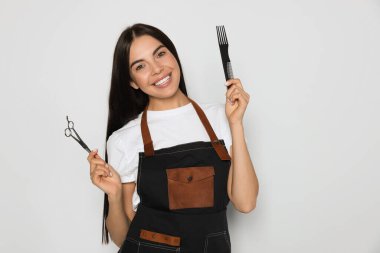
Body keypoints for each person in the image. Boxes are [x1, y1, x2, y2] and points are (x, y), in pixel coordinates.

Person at [87, 23, 259, 252]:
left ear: (173, 54)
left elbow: (245, 203)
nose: (157, 69)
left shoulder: (222, 117)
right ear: (131, 81)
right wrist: (115, 195)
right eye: (141, 66)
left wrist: (235, 124)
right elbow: (124, 239)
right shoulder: (123, 140)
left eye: (160, 54)